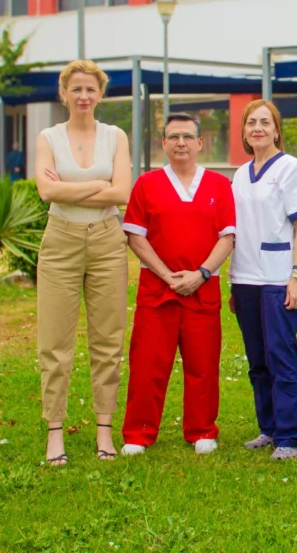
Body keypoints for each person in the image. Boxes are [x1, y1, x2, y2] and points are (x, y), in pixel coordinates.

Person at [119, 112, 236, 457]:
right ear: (163, 144)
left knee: (203, 364)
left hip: (202, 288)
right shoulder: (147, 184)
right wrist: (167, 275)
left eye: (187, 136)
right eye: (173, 137)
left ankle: (201, 431)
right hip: (158, 290)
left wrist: (200, 274)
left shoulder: (218, 185)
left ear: (200, 143)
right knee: (147, 364)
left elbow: (227, 237)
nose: (180, 143)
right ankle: (138, 434)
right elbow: (135, 237)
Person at [34, 60, 132, 465]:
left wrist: (69, 186)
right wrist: (98, 185)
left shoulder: (115, 136)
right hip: (61, 240)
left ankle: (104, 429)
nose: (83, 96)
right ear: (64, 93)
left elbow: (122, 193)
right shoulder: (48, 137)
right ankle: (55, 431)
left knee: (107, 339)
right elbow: (45, 191)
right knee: (55, 341)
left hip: (108, 241)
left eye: (90, 89)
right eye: (76, 89)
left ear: (100, 94)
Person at [229, 100, 297, 461]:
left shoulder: (290, 168)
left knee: (281, 357)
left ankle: (289, 437)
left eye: (265, 122)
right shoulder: (241, 173)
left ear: (277, 130)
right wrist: (233, 281)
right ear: (244, 131)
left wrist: (296, 277)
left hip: (278, 276)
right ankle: (269, 428)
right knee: (257, 359)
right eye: (251, 123)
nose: (257, 128)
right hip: (245, 278)